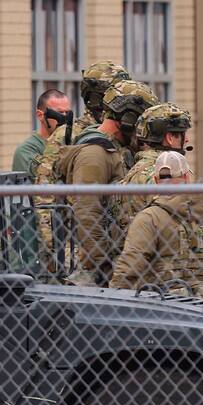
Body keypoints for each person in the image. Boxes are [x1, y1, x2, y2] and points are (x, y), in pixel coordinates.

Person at [54, 80, 159, 286]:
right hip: (93, 265)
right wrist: (102, 263)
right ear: (128, 117)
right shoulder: (95, 153)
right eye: (140, 120)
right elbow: (87, 211)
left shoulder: (115, 148)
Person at [110, 152, 203, 300]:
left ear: (156, 180)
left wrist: (113, 301)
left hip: (164, 309)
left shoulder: (149, 218)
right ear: (187, 177)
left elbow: (129, 269)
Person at [115, 103, 192, 233]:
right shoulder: (166, 171)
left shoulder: (138, 168)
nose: (187, 140)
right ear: (170, 138)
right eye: (183, 134)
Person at [12, 88, 71, 178]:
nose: (65, 117)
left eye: (67, 112)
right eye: (59, 113)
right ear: (40, 115)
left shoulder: (73, 142)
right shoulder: (27, 151)